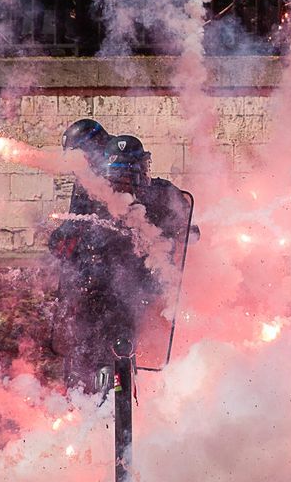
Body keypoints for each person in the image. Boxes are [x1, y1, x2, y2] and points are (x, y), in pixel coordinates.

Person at [49, 135, 190, 388]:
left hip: (137, 291)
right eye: (117, 176)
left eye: (129, 176)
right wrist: (61, 240)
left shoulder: (161, 194)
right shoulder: (94, 195)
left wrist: (183, 232)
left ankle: (124, 401)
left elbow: (183, 223)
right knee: (84, 353)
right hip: (95, 289)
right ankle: (83, 406)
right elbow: (72, 230)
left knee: (123, 350)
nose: (123, 184)